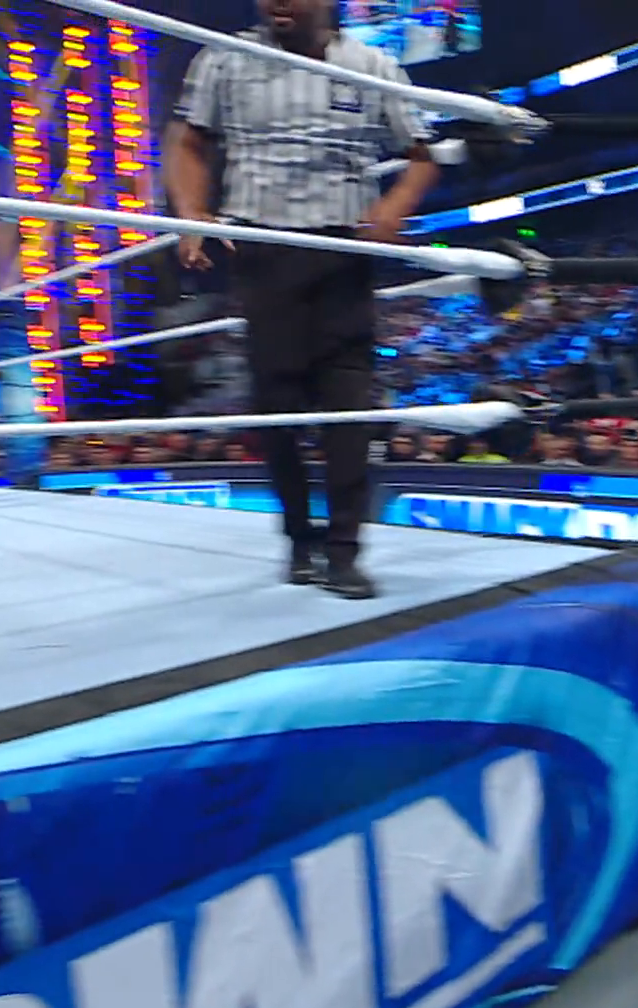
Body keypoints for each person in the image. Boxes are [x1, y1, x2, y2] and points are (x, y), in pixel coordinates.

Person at [162, 0, 441, 600]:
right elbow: (187, 141)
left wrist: (391, 209)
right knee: (277, 404)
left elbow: (423, 153)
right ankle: (298, 540)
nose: (277, 2)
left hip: (343, 252)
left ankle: (344, 551)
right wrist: (191, 214)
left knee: (349, 406)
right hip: (263, 251)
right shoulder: (226, 58)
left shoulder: (372, 65)